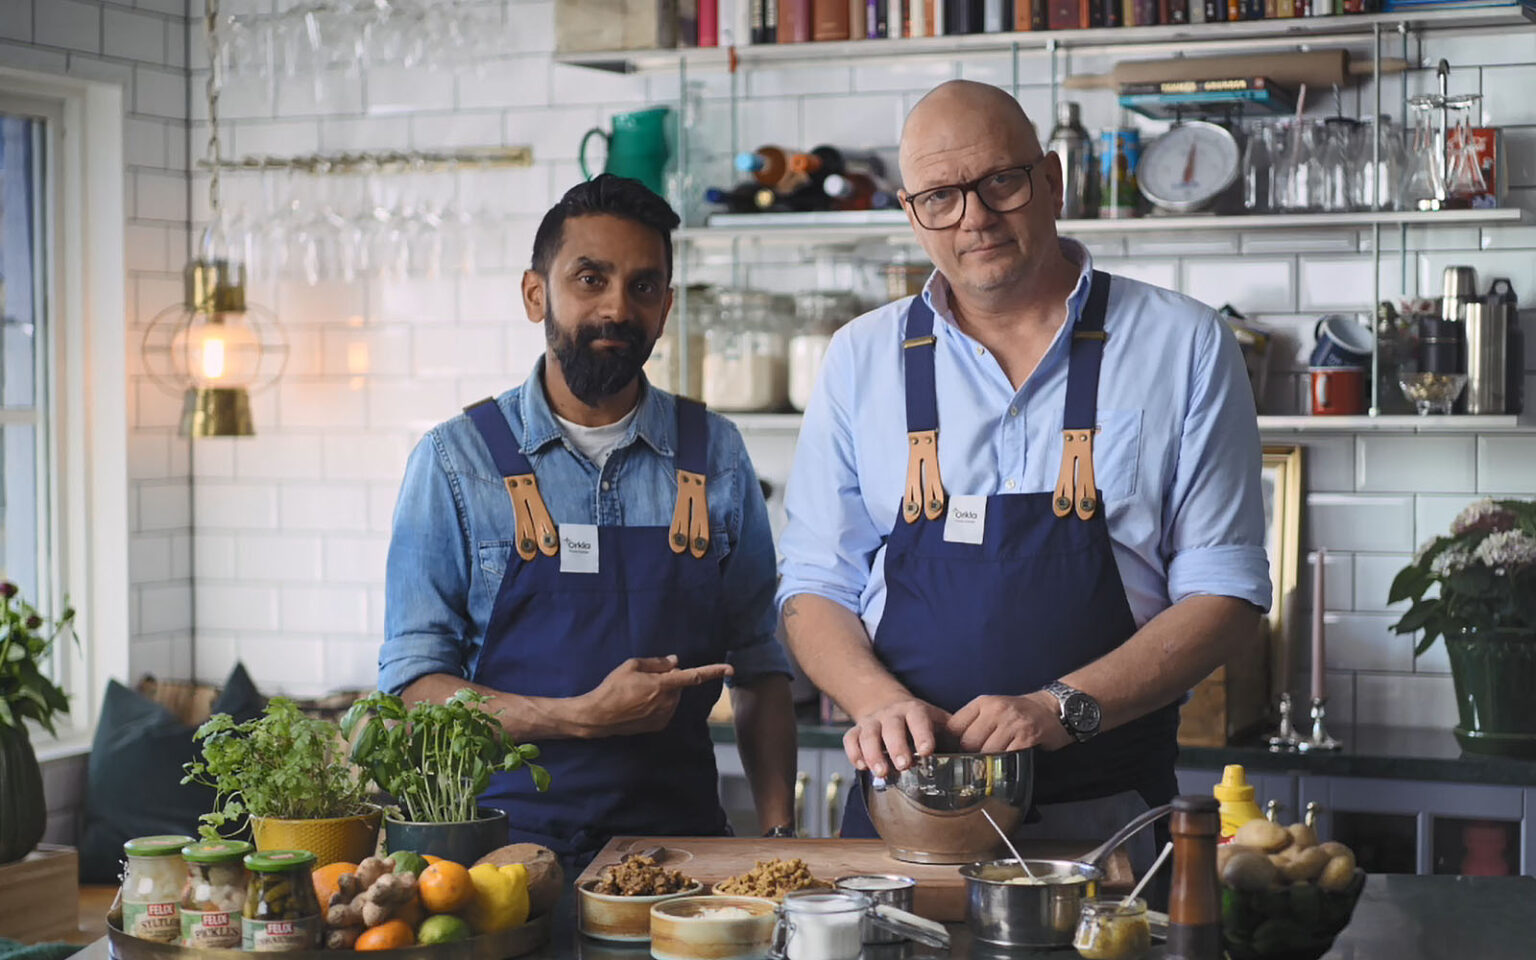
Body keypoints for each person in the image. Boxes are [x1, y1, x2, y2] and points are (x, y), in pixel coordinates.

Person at [776, 81, 1270, 869]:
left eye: (999, 181)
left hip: (1107, 826)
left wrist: (1060, 708)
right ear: (912, 213)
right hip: (903, 819)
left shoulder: (1185, 344)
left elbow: (1227, 593)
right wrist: (877, 701)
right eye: (940, 196)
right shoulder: (860, 359)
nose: (973, 217)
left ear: (1052, 181)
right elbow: (812, 587)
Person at [380, 174, 797, 866]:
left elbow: (760, 666)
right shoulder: (454, 461)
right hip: (500, 868)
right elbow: (414, 690)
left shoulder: (715, 451)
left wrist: (780, 837)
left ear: (665, 307)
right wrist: (576, 718)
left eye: (641, 286)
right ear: (535, 294)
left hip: (683, 864)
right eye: (590, 279)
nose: (615, 308)